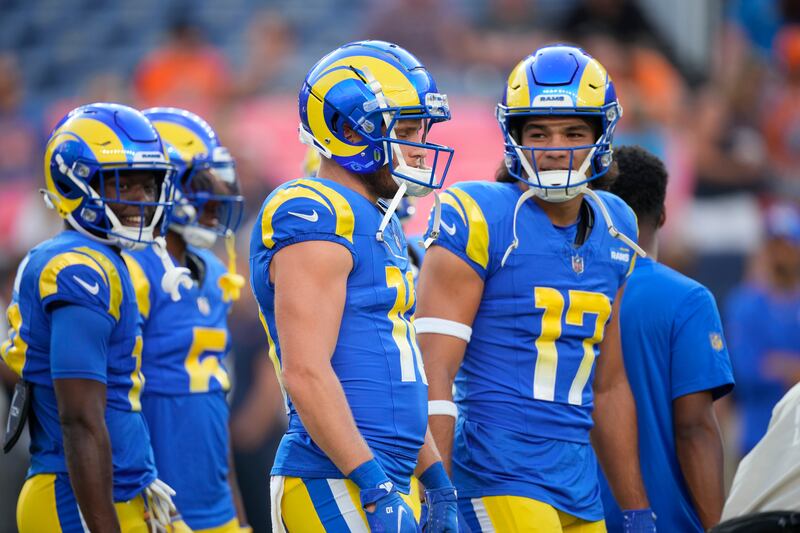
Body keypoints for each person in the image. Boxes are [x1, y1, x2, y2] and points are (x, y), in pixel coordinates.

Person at [416, 44, 656, 532]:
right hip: (494, 469)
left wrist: (634, 506)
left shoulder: (618, 224)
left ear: (602, 136)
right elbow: (431, 370)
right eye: (539, 131)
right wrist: (435, 489)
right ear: (514, 136)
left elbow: (609, 386)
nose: (555, 146)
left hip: (578, 480)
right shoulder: (481, 213)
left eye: (573, 131)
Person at [249, 40, 458, 532]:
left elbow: (394, 375)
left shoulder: (378, 220)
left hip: (380, 474)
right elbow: (305, 371)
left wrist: (436, 480)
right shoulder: (316, 211)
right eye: (404, 131)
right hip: (336, 477)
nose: (418, 146)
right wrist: (373, 485)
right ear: (348, 130)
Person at [0, 102, 177, 532]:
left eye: (147, 185)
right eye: (123, 183)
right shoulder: (77, 267)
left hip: (114, 490)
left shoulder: (101, 258)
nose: (141, 199)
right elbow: (78, 417)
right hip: (75, 499)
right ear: (73, 182)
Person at [123, 107, 250, 532]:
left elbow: (215, 397)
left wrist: (237, 510)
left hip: (213, 495)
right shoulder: (130, 268)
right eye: (202, 185)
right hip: (154, 500)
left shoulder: (212, 272)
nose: (216, 200)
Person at [595, 145, 735, 531]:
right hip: (664, 520)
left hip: (569, 515)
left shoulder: (569, 295)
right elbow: (694, 427)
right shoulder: (687, 299)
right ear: (663, 215)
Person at [725, 202, 800, 456]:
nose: (782, 253)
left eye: (788, 245)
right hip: (759, 438)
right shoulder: (745, 304)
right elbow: (745, 371)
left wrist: (777, 365)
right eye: (774, 245)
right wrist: (791, 370)